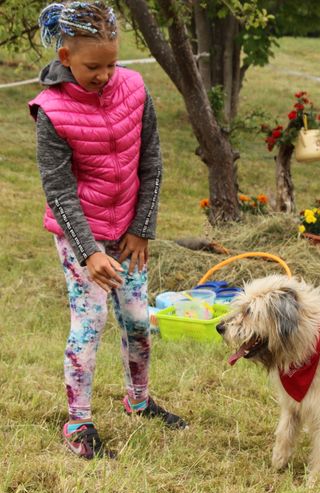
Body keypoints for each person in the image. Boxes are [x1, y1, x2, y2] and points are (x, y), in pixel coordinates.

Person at [28, 1, 188, 460]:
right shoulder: (51, 111)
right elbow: (57, 190)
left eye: (112, 63)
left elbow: (152, 162)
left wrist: (142, 228)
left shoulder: (135, 89)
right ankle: (78, 423)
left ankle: (138, 400)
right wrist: (88, 252)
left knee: (139, 320)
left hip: (127, 234)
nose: (104, 74)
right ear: (65, 59)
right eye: (92, 66)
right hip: (82, 236)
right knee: (90, 323)